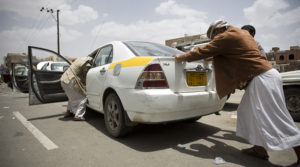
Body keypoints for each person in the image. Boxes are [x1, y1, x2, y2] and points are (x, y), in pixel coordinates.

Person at [173, 20, 300, 165]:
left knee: (276, 117)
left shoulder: (226, 36)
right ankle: (259, 149)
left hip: (262, 78)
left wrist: (182, 57)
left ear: (218, 31)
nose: (214, 40)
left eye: (213, 37)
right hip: (264, 76)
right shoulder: (242, 34)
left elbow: (205, 50)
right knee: (247, 113)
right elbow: (220, 54)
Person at [60, 57, 92, 121]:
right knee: (82, 98)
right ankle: (78, 115)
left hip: (63, 80)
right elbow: (86, 75)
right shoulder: (86, 64)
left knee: (72, 97)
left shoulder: (78, 60)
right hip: (71, 81)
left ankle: (68, 112)